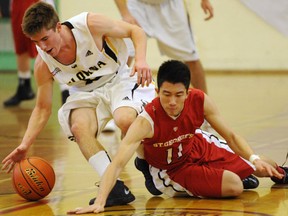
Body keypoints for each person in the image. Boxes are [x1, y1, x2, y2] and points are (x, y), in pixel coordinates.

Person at [67, 60, 288, 214]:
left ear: (188, 92)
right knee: (234, 186)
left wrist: (253, 157)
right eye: (166, 94)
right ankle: (155, 177)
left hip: (198, 145)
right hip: (172, 168)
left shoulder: (200, 100)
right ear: (156, 91)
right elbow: (116, 164)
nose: (172, 102)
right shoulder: (146, 121)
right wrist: (101, 201)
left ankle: (269, 171)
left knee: (263, 167)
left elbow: (230, 135)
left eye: (178, 95)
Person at [1, 1, 155, 206]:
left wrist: (142, 60)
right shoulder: (43, 63)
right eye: (36, 42)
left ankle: (145, 163)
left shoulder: (89, 24)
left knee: (125, 119)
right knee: (78, 126)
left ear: (58, 27)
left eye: (45, 38)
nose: (43, 47)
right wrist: (24, 145)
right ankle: (115, 188)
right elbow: (42, 108)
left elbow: (135, 31)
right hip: (84, 91)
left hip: (118, 79)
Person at [114, 0, 213, 94]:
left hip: (171, 6)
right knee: (124, 54)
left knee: (192, 58)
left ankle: (204, 104)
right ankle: (112, 98)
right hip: (137, 6)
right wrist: (125, 13)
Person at [3, 0, 69, 107]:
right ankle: (24, 84)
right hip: (18, 3)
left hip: (40, 3)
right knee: (21, 43)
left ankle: (66, 90)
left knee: (50, 44)